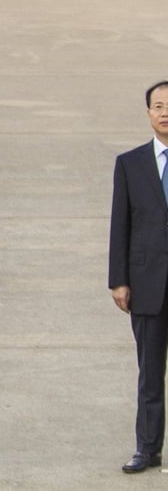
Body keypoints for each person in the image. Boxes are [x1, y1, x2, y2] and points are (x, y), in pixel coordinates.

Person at [109, 80, 168, 474]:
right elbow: (120, 225)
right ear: (148, 113)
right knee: (150, 375)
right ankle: (147, 449)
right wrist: (119, 280)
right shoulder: (130, 164)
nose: (165, 112)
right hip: (148, 286)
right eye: (158, 105)